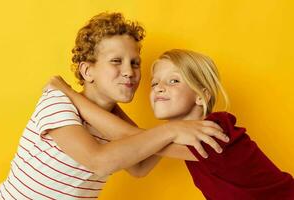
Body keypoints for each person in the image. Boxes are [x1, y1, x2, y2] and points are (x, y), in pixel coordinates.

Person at [0, 13, 228, 200]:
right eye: (116, 61)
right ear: (88, 71)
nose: (129, 71)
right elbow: (99, 161)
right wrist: (171, 131)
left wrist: (179, 120)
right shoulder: (57, 101)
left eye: (135, 63)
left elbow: (139, 167)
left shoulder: (114, 122)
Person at [48, 49, 294, 199]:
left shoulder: (216, 130)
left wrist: (71, 94)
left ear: (202, 95)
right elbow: (139, 155)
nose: (159, 88)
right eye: (155, 83)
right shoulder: (181, 138)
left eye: (174, 81)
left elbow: (130, 136)